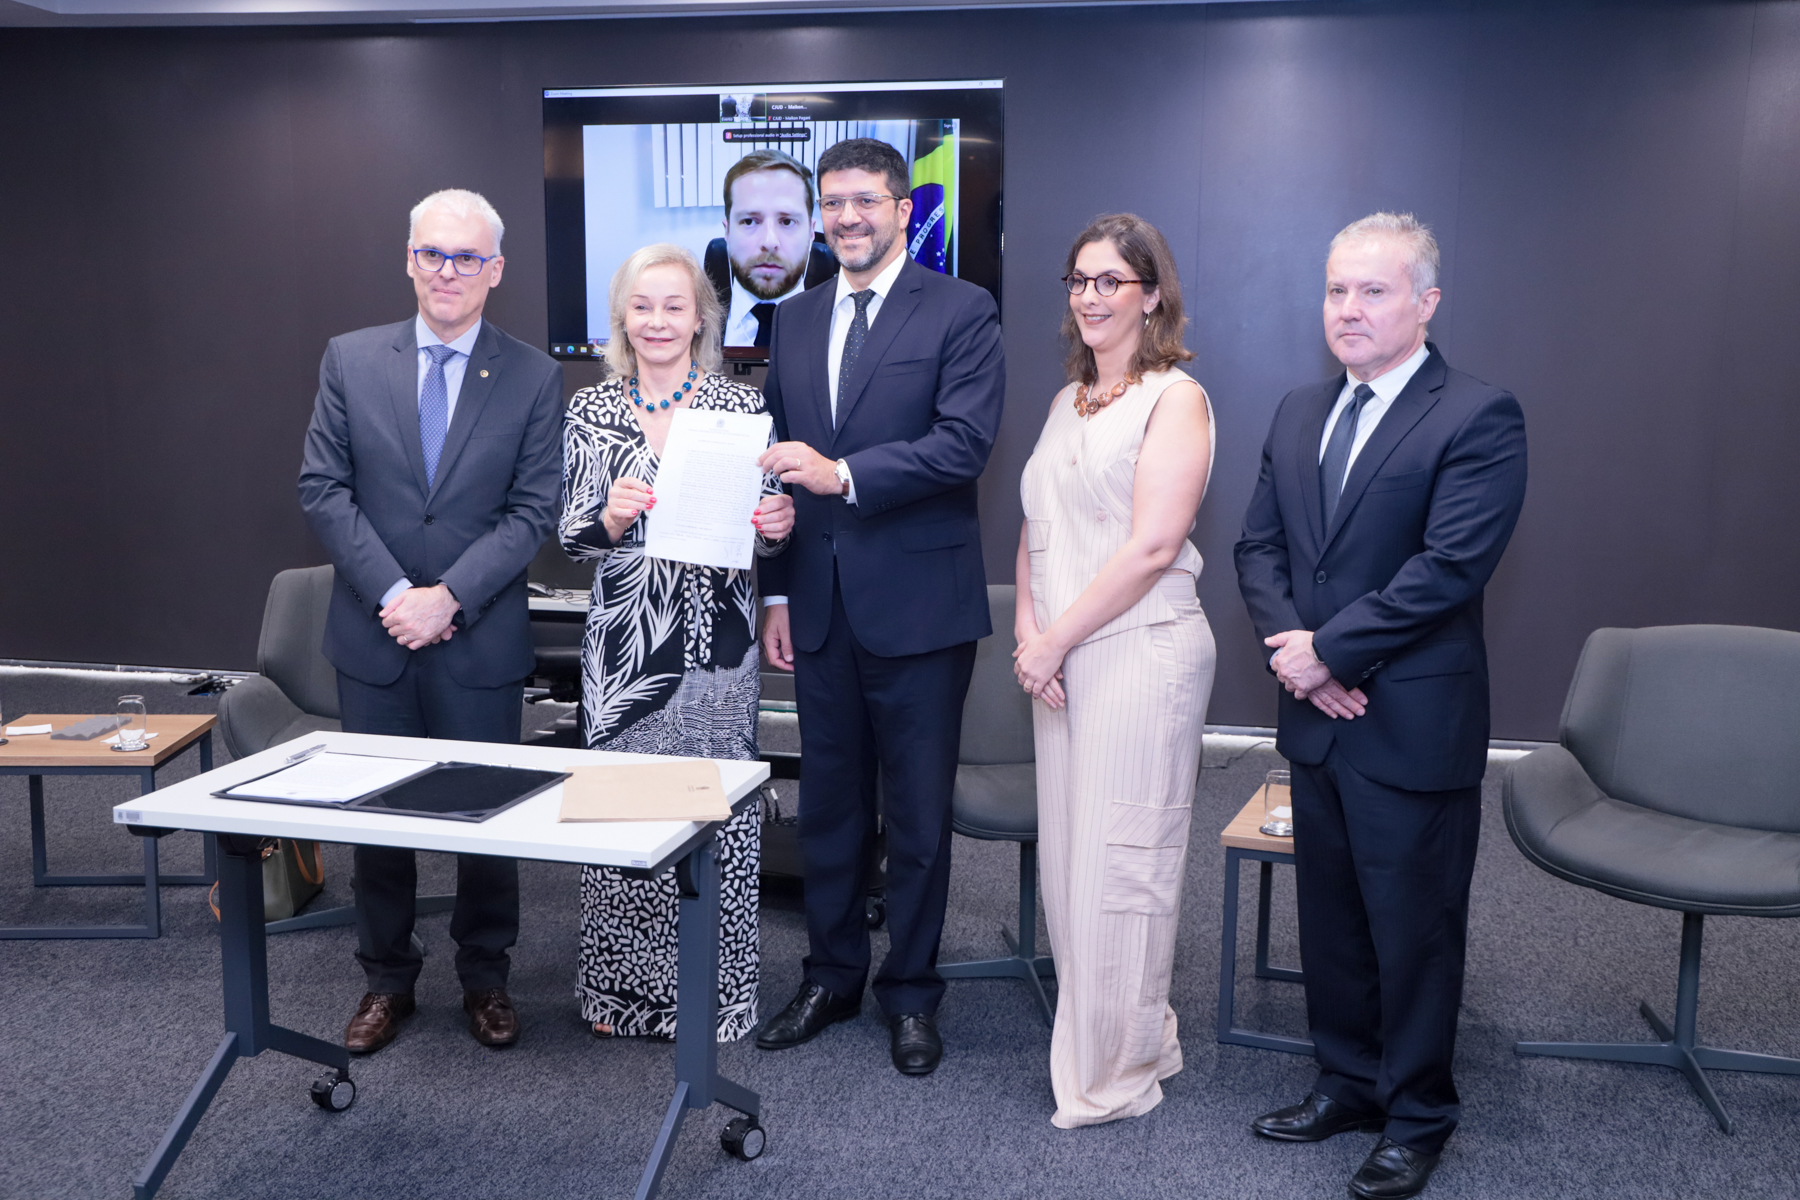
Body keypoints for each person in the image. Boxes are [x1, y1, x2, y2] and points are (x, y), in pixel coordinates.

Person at [1234, 213, 1527, 1200]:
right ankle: (1347, 1082)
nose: (1348, 310)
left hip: (1411, 719)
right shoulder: (1295, 409)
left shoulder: (1479, 416)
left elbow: (1449, 569)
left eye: (1373, 291)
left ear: (1426, 304)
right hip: (1319, 716)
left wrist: (1329, 651)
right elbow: (1258, 550)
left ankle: (1417, 1113)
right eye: (1335, 291)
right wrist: (1297, 656)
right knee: (1333, 919)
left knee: (1413, 926)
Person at [753, 137, 1006, 1076]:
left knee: (917, 818)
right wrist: (775, 572)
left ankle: (911, 994)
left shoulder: (962, 310)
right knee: (828, 807)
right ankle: (830, 976)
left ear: (903, 209)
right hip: (816, 604)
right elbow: (780, 458)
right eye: (834, 202)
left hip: (920, 609)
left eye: (867, 200)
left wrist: (842, 474)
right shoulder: (795, 316)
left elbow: (964, 444)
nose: (848, 216)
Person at [298, 188, 563, 1054]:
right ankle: (385, 979)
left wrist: (448, 597)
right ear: (409, 259)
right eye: (432, 254)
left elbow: (532, 511)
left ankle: (486, 976)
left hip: (477, 634)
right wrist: (395, 597)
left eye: (467, 257)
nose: (447, 271)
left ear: (496, 271)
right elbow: (324, 491)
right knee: (378, 816)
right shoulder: (349, 358)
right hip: (375, 636)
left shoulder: (532, 374)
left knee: (484, 816)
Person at [560, 243, 794, 1040]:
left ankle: (715, 996)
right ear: (622, 319)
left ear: (701, 318)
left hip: (718, 653)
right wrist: (612, 519)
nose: (657, 321)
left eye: (674, 306)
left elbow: (766, 531)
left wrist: (778, 524)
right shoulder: (591, 410)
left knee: (714, 819)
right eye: (641, 306)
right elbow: (572, 538)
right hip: (625, 652)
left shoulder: (737, 409)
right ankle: (619, 997)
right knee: (619, 819)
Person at [1014, 213, 1217, 1127]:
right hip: (1058, 662)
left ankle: (1117, 1068)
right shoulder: (1068, 401)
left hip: (1143, 653)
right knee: (1069, 868)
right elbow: (1035, 525)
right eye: (1079, 280)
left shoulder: (1176, 399)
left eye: (1110, 282)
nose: (1090, 297)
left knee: (1121, 868)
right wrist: (1030, 632)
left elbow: (1152, 547)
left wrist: (1055, 640)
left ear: (1152, 295)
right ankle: (1126, 1032)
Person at [702, 149, 836, 349]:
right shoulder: (690, 326)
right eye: (749, 221)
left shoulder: (847, 329)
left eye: (788, 221)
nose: (769, 241)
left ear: (811, 233)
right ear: (728, 232)